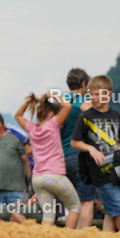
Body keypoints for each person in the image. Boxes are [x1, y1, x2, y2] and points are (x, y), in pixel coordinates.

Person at [71, 75, 120, 232]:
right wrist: (91, 149)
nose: (95, 98)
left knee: (111, 213)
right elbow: (74, 142)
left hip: (119, 170)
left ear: (109, 94)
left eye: (99, 94)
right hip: (100, 173)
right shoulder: (85, 117)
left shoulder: (118, 117)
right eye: (92, 94)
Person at [16, 92, 81, 229]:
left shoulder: (32, 129)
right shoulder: (53, 125)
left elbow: (18, 115)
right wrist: (53, 95)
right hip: (55, 176)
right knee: (74, 206)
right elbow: (67, 106)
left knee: (48, 215)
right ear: (52, 115)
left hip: (38, 179)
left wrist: (30, 101)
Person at [61, 68, 94, 228]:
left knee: (71, 204)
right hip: (79, 156)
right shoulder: (83, 103)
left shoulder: (57, 102)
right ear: (83, 84)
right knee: (86, 201)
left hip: (59, 159)